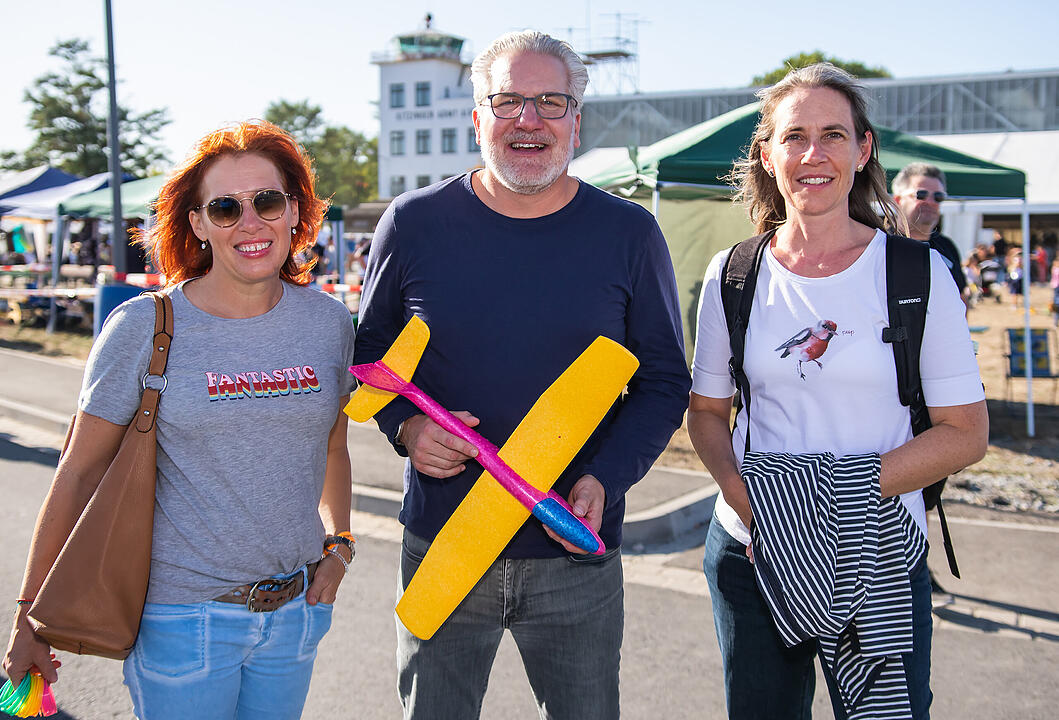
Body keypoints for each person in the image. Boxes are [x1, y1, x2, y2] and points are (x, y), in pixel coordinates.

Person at [353, 29, 690, 720]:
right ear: (477, 117)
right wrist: (406, 425)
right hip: (444, 543)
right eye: (506, 101)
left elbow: (662, 381)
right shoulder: (412, 223)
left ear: (576, 119)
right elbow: (370, 359)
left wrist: (608, 475)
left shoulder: (628, 233)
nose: (527, 120)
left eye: (550, 101)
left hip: (573, 553)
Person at [3, 120, 357, 720]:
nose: (251, 223)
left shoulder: (328, 324)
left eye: (267, 201)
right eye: (225, 208)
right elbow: (79, 472)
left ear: (295, 212)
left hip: (294, 617)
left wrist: (341, 544)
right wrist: (28, 612)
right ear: (197, 223)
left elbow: (331, 448)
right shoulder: (144, 327)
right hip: (183, 619)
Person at [688, 64, 988, 719]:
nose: (813, 154)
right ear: (766, 155)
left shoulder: (918, 272)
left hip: (877, 547)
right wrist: (757, 507)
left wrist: (829, 499)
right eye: (793, 136)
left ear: (863, 149)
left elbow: (965, 432)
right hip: (752, 550)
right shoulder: (732, 273)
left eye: (832, 134)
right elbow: (707, 413)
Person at [892, 163, 969, 309]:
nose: (930, 202)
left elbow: (960, 296)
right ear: (898, 200)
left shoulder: (947, 247)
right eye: (921, 195)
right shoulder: (878, 243)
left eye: (938, 197)